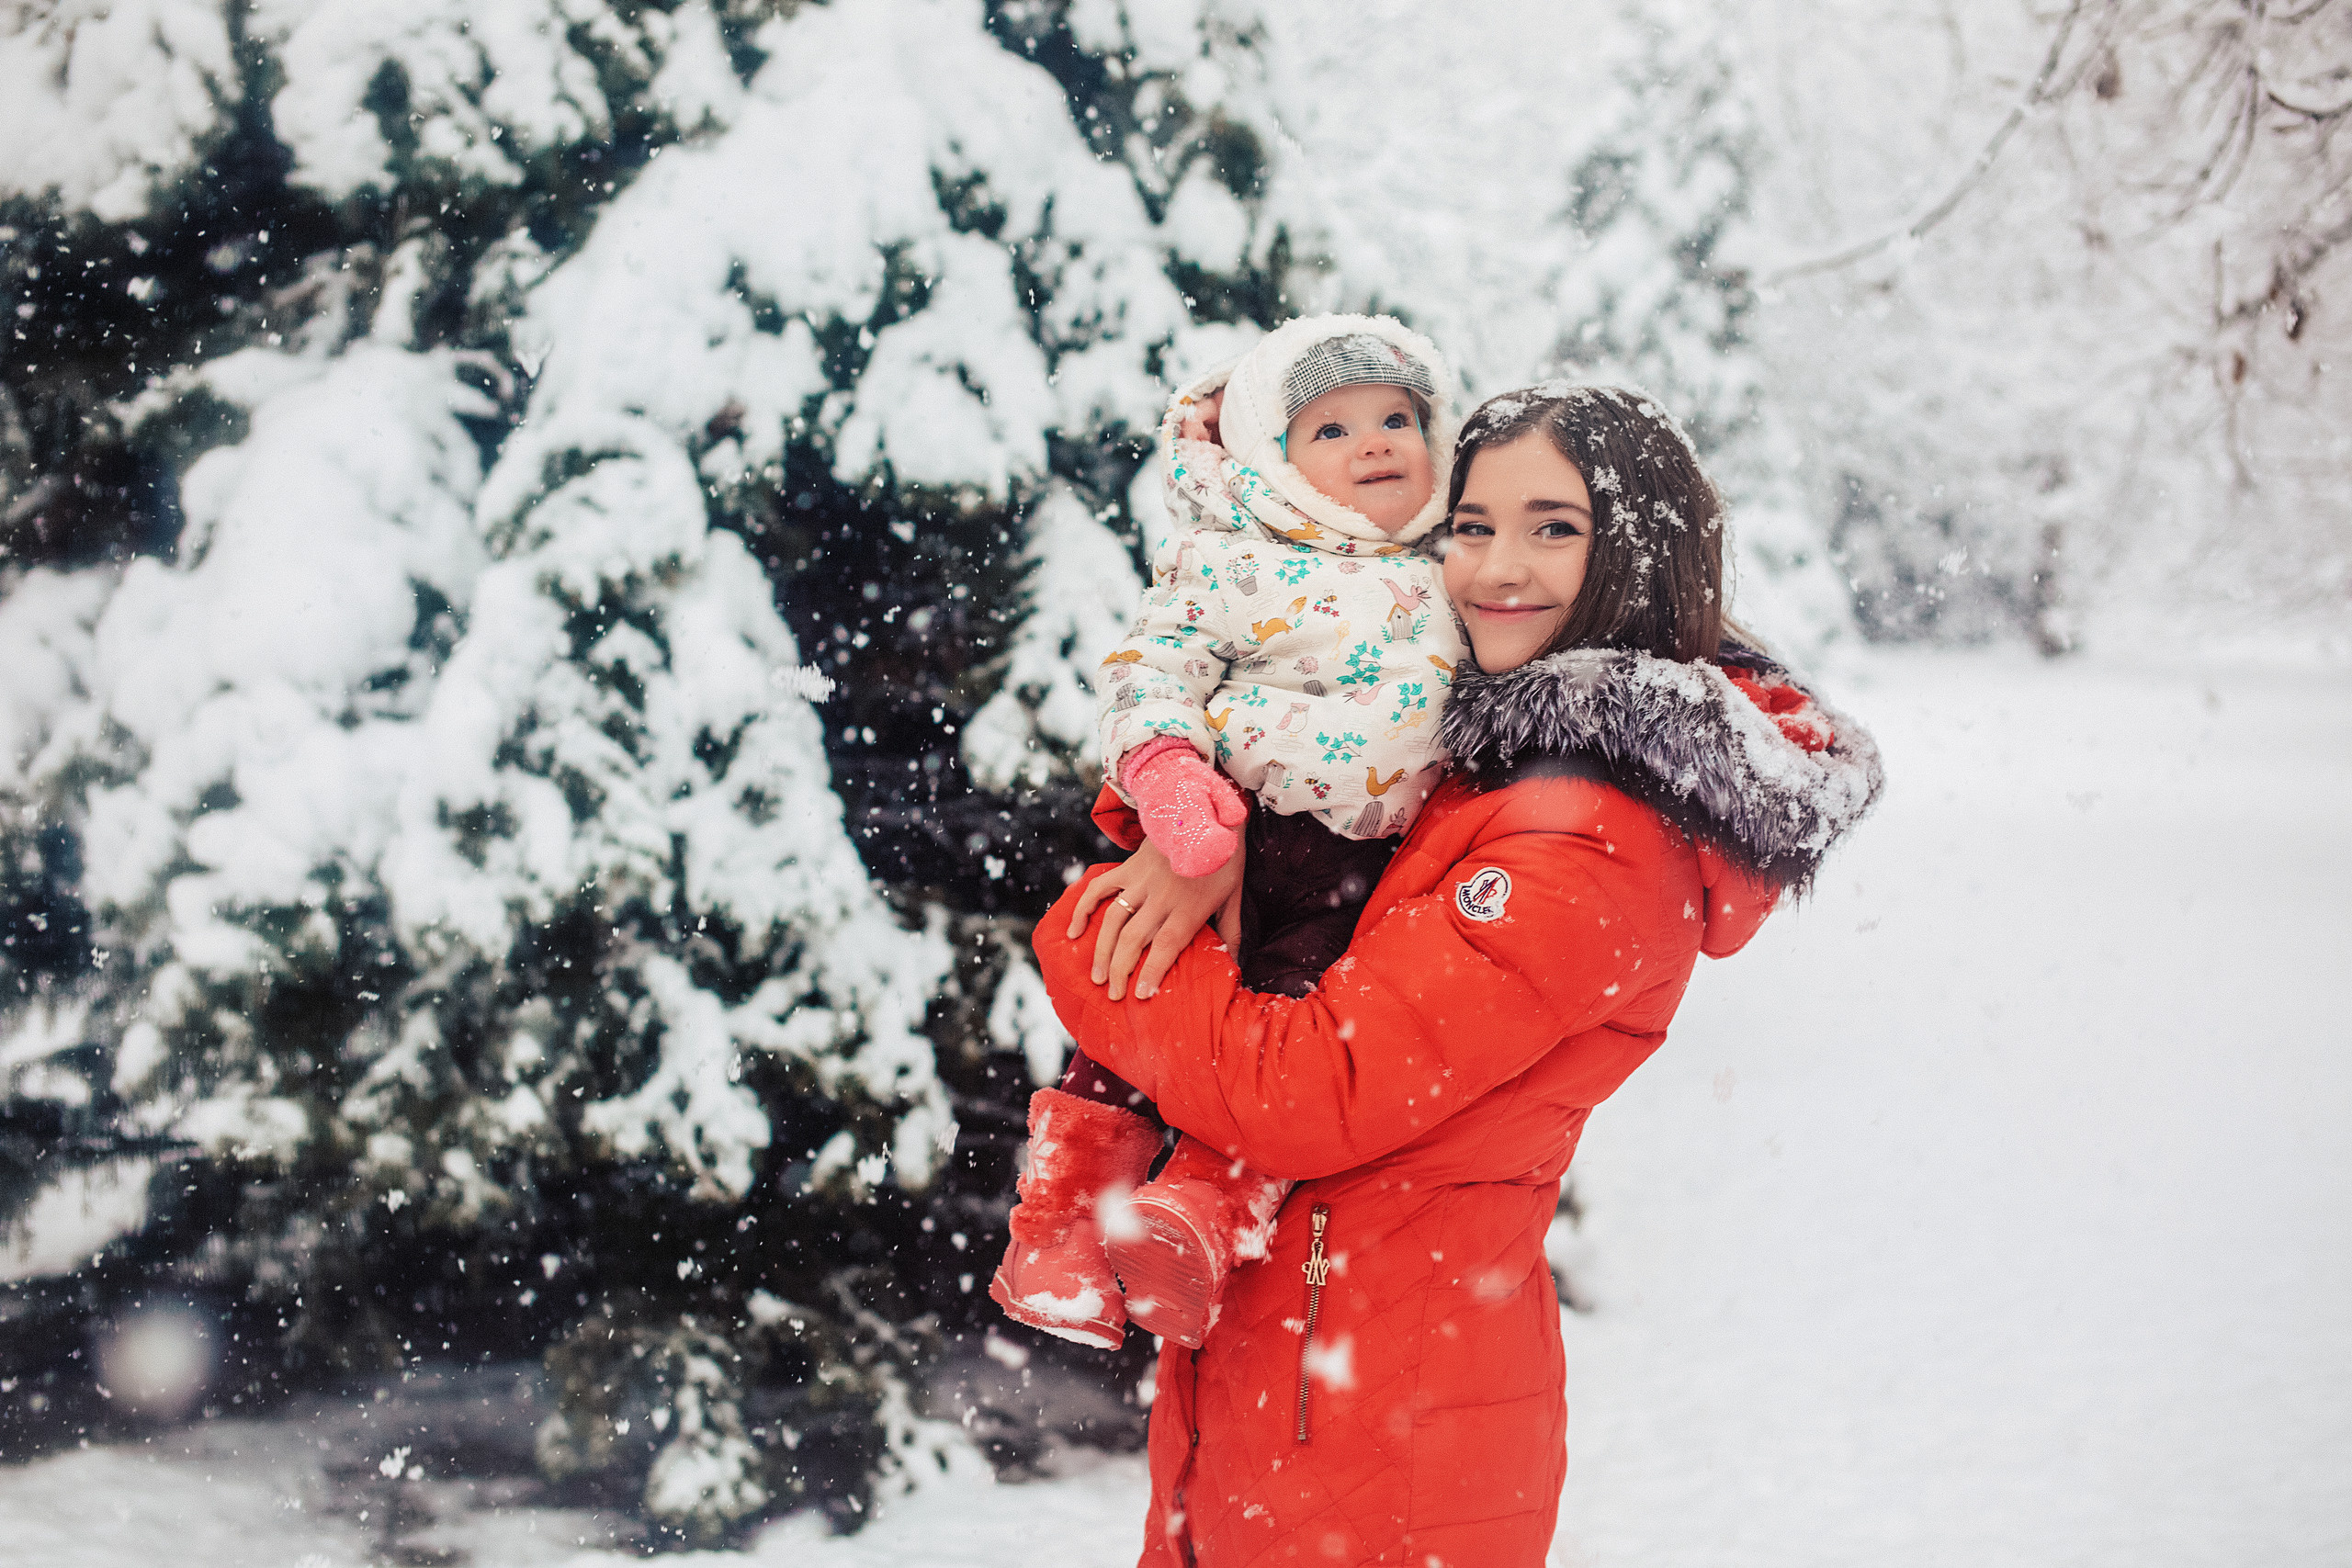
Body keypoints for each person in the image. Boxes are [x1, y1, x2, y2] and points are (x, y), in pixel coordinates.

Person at [1031, 383, 1884, 1567]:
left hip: (1384, 1427)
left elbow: (1297, 1088)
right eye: (1471, 525)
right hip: (1309, 1373)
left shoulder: (1589, 834)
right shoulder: (1471, 758)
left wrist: (1091, 937)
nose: (1494, 568)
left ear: (1639, 555)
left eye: (1553, 528)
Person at [991, 315, 1470, 1353]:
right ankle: (1063, 1236)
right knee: (1135, 1011)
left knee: (1281, 1044)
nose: (1375, 443)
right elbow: (1149, 673)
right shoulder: (1231, 562)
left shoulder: (1459, 570)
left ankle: (1201, 1220)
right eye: (1331, 430)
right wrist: (1168, 777)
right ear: (1271, 462)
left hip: (1361, 871)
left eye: (1397, 419)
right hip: (1224, 834)